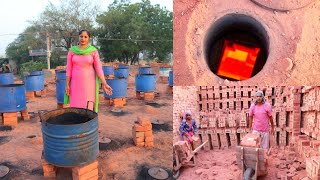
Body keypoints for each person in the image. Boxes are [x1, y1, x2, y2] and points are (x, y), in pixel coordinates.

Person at [65, 30, 112, 112]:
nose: (83, 39)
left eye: (85, 37)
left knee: (88, 107)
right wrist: (67, 85)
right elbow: (69, 69)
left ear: (89, 38)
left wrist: (105, 83)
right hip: (75, 83)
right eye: (81, 36)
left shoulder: (93, 51)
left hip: (89, 83)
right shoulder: (72, 51)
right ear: (78, 37)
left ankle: (87, 123)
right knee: (76, 107)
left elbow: (98, 69)